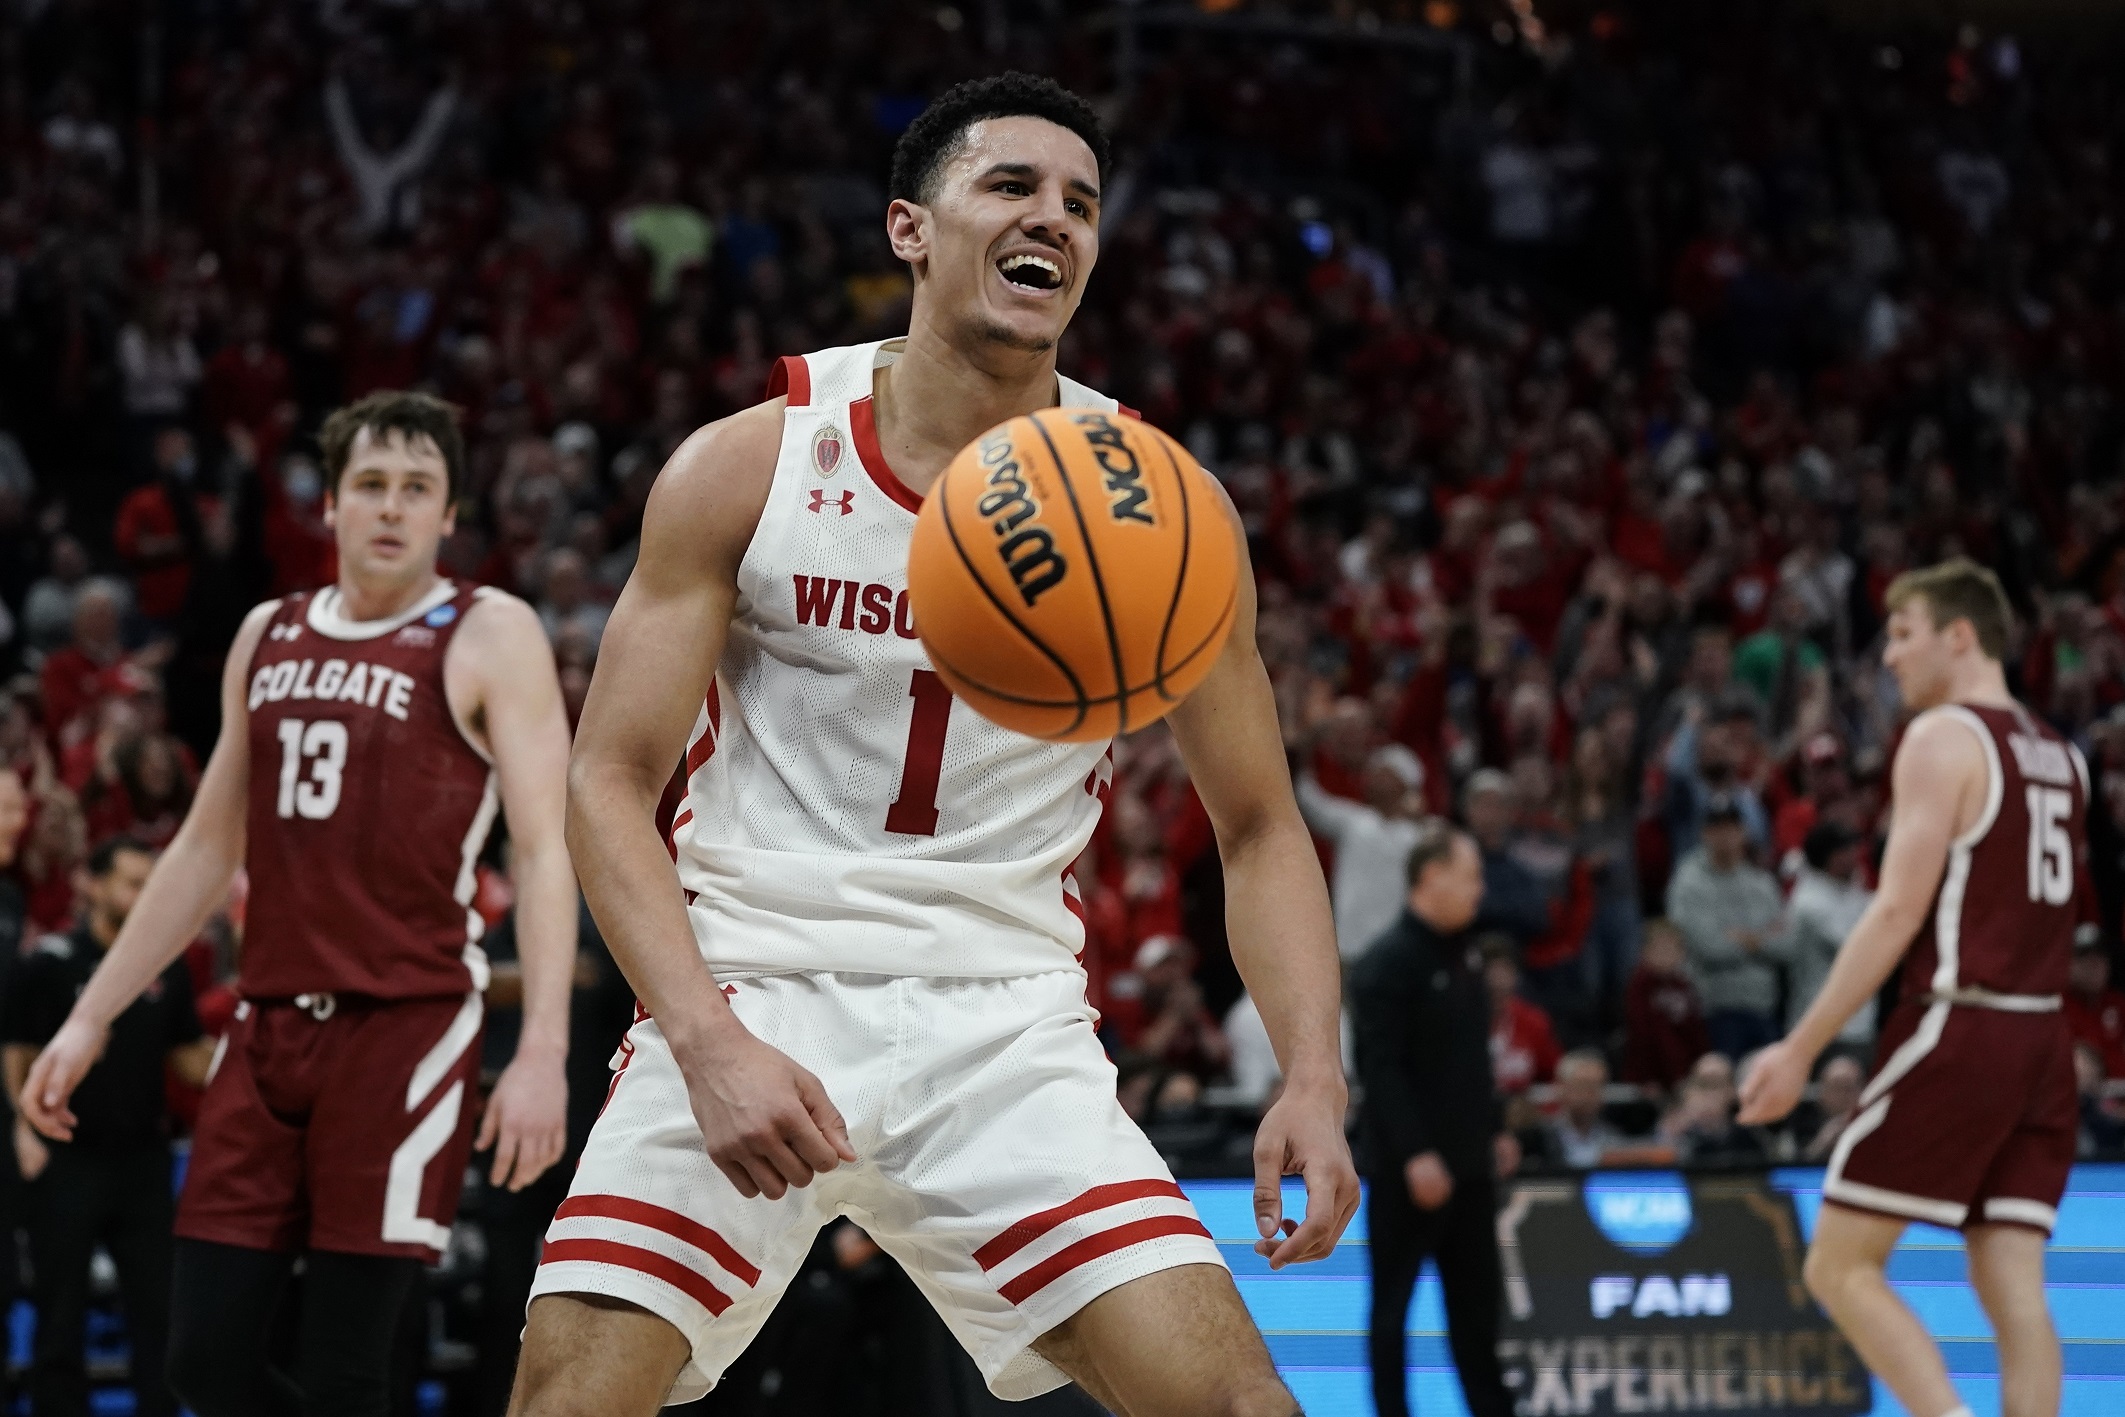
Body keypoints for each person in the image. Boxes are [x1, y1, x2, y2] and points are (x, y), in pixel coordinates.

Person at [516, 74, 1357, 1417]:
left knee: (1247, 1406)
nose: (1055, 220)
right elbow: (606, 780)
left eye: (1081, 203)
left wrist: (1314, 1074)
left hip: (1003, 1021)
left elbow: (1258, 826)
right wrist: (703, 1037)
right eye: (1012, 187)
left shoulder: (1167, 512)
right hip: (755, 987)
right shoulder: (751, 465)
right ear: (910, 228)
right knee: (568, 1402)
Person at [19, 391, 579, 1417]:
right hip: (267, 1024)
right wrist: (90, 1016)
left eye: (418, 489)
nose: (391, 509)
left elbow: (543, 849)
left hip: (404, 1027)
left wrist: (540, 1049)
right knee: (201, 1360)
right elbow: (200, 846)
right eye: (370, 484)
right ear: (328, 503)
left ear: (450, 514)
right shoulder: (265, 634)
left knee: (347, 1371)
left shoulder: (489, 631)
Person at [1741, 559, 2083, 1417]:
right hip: (2044, 1038)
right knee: (2012, 1285)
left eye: (1902, 634)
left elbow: (1895, 912)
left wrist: (1799, 1045)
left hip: (1961, 1023)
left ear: (1958, 636)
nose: (1888, 656)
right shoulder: (2063, 756)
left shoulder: (1942, 737)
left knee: (1837, 1261)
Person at [2, 836, 215, 1417]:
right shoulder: (49, 962)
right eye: (131, 883)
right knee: (59, 1311)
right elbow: (15, 1052)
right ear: (91, 885)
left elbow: (188, 1057)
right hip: (68, 1156)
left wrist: (252, 1050)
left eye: (151, 884)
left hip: (143, 1159)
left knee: (159, 1311)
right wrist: (24, 1130)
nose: (144, 895)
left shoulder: (166, 969)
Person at [1350, 823, 1518, 1417]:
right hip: (1407, 1174)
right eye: (1470, 875)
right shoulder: (1385, 964)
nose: (1480, 889)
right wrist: (1417, 1152)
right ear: (1431, 876)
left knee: (1478, 1316)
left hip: (1470, 1170)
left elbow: (1474, 1061)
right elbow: (1381, 1071)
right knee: (1392, 1308)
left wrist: (1494, 1126)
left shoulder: (1467, 953)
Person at [1666, 792, 1787, 1059]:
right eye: (1716, 827)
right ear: (1704, 833)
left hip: (1764, 1007)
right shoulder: (1688, 882)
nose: (1725, 835)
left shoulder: (1761, 882)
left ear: (1743, 830)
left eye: (1731, 826)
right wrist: (1758, 941)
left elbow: (1786, 945)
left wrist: (1741, 939)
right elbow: (1708, 948)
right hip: (1712, 1009)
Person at [1294, 742, 1426, 960]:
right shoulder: (1354, 822)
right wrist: (1302, 750)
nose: (1376, 780)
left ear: (1405, 784)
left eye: (1386, 774)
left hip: (1396, 952)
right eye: (1376, 773)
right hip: (1348, 948)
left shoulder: (1421, 836)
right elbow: (1308, 800)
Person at [1783, 822, 1877, 1047]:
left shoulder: (1852, 892)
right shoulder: (1809, 900)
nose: (1854, 856)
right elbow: (1857, 946)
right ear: (1826, 857)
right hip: (1820, 1024)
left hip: (1860, 1022)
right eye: (1844, 851)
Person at [1621, 918, 1711, 1092]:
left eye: (1672, 949)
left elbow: (1695, 1031)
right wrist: (1648, 1077)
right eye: (1660, 949)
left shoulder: (1684, 986)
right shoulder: (1639, 986)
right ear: (1645, 952)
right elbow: (1643, 1034)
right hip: (1651, 1078)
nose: (1666, 954)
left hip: (1685, 1076)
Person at [1539, 1049, 1624, 1168]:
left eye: (1596, 1087)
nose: (1589, 1094)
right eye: (1582, 1086)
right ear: (1561, 1088)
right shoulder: (1540, 1139)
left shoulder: (1614, 1142)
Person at [2064, 937, 2125, 1078]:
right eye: (2085, 958)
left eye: (2100, 957)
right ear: (2068, 964)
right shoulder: (2058, 1006)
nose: (2095, 965)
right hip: (2080, 1095)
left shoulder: (2118, 1003)